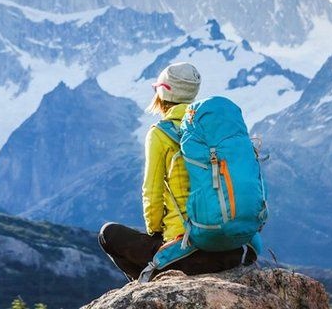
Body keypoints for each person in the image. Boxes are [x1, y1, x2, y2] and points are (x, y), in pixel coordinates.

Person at [98, 62, 256, 281]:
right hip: (234, 249)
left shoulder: (160, 134)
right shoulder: (212, 130)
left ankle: (149, 286)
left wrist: (158, 234)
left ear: (162, 92)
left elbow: (151, 196)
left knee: (108, 233)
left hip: (187, 253)